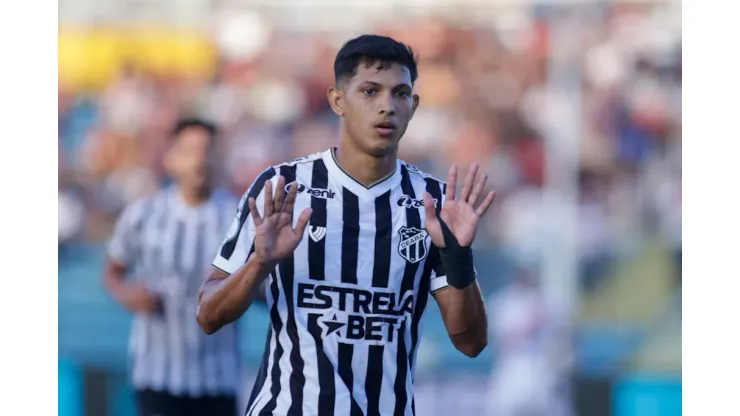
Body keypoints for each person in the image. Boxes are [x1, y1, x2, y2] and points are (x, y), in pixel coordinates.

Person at [197, 34, 496, 416]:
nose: (387, 106)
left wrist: (458, 256)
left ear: (414, 105)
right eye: (370, 91)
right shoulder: (283, 187)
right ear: (338, 100)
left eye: (400, 94)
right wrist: (260, 263)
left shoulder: (432, 204)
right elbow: (208, 315)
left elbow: (470, 342)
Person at [104, 118, 241, 416]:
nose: (200, 159)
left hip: (218, 378)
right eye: (190, 150)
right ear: (172, 159)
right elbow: (113, 271)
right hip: (157, 375)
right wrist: (129, 295)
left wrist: (236, 287)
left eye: (207, 150)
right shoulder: (144, 213)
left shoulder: (239, 216)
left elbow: (261, 288)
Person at [486, 269, 574, 416]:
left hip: (540, 366)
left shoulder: (546, 301)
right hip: (512, 365)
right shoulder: (504, 302)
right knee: (500, 407)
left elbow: (565, 329)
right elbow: (502, 336)